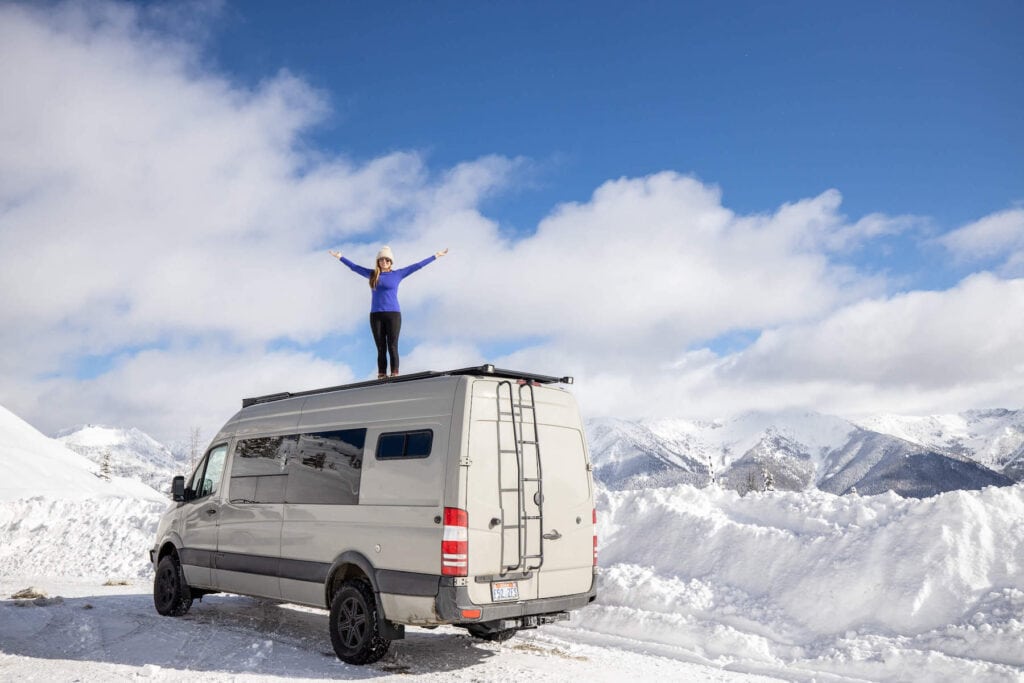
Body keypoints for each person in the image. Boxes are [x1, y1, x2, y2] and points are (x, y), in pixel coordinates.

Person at [328, 245, 448, 379]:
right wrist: (340, 257)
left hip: (393, 315)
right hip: (376, 315)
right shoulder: (373, 275)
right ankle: (381, 374)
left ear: (391, 262)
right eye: (381, 259)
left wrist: (435, 256)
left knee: (392, 345)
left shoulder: (397, 274)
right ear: (378, 261)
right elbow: (355, 268)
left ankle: (395, 373)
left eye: (387, 260)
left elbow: (417, 266)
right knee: (380, 347)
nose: (384, 262)